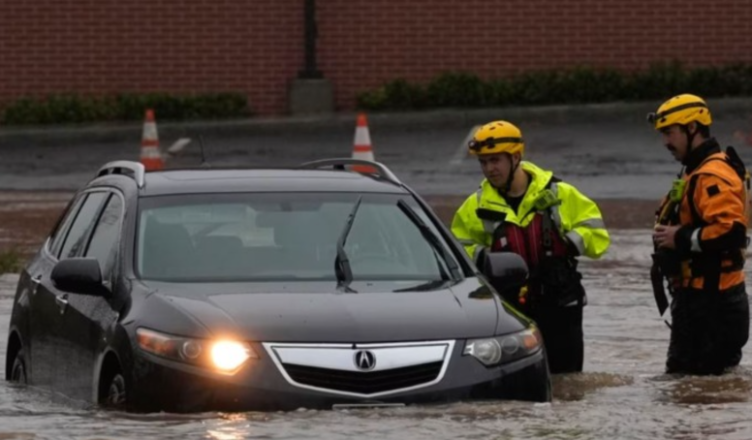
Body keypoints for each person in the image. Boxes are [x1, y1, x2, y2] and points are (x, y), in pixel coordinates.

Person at [451, 120, 610, 373]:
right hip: (510, 311)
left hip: (561, 304)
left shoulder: (560, 193)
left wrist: (568, 243)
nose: (489, 169)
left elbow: (598, 236)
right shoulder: (474, 206)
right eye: (483, 162)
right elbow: (457, 252)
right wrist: (485, 257)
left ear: (515, 157)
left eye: (495, 161)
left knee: (566, 386)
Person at [648, 93, 750, 375]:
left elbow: (732, 232)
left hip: (712, 306)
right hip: (701, 302)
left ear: (692, 128)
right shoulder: (696, 170)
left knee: (696, 394)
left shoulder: (711, 175)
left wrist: (679, 238)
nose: (666, 142)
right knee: (692, 394)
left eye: (670, 132)